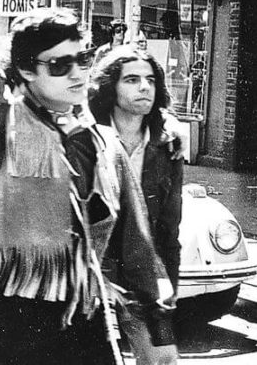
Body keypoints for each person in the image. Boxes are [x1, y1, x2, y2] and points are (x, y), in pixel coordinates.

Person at [0, 0, 177, 364]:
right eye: (58, 65)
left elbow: (137, 249)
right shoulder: (1, 127)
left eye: (82, 59)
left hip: (88, 319)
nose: (77, 73)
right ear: (26, 73)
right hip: (13, 324)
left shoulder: (101, 141)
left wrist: (160, 335)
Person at [89, 46, 184, 364]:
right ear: (109, 87)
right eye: (131, 79)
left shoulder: (167, 145)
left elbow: (170, 229)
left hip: (147, 279)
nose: (144, 86)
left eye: (150, 80)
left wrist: (169, 294)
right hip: (97, 278)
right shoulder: (87, 140)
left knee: (165, 358)